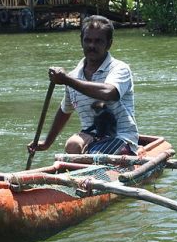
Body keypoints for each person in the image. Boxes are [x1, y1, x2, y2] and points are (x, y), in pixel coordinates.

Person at [28, 15, 139, 155]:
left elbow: (110, 92)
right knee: (73, 145)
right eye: (88, 40)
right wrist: (46, 143)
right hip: (92, 137)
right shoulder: (74, 76)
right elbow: (65, 111)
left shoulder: (119, 68)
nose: (92, 46)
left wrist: (67, 80)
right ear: (81, 42)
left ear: (109, 44)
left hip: (121, 138)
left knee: (96, 156)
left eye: (98, 41)